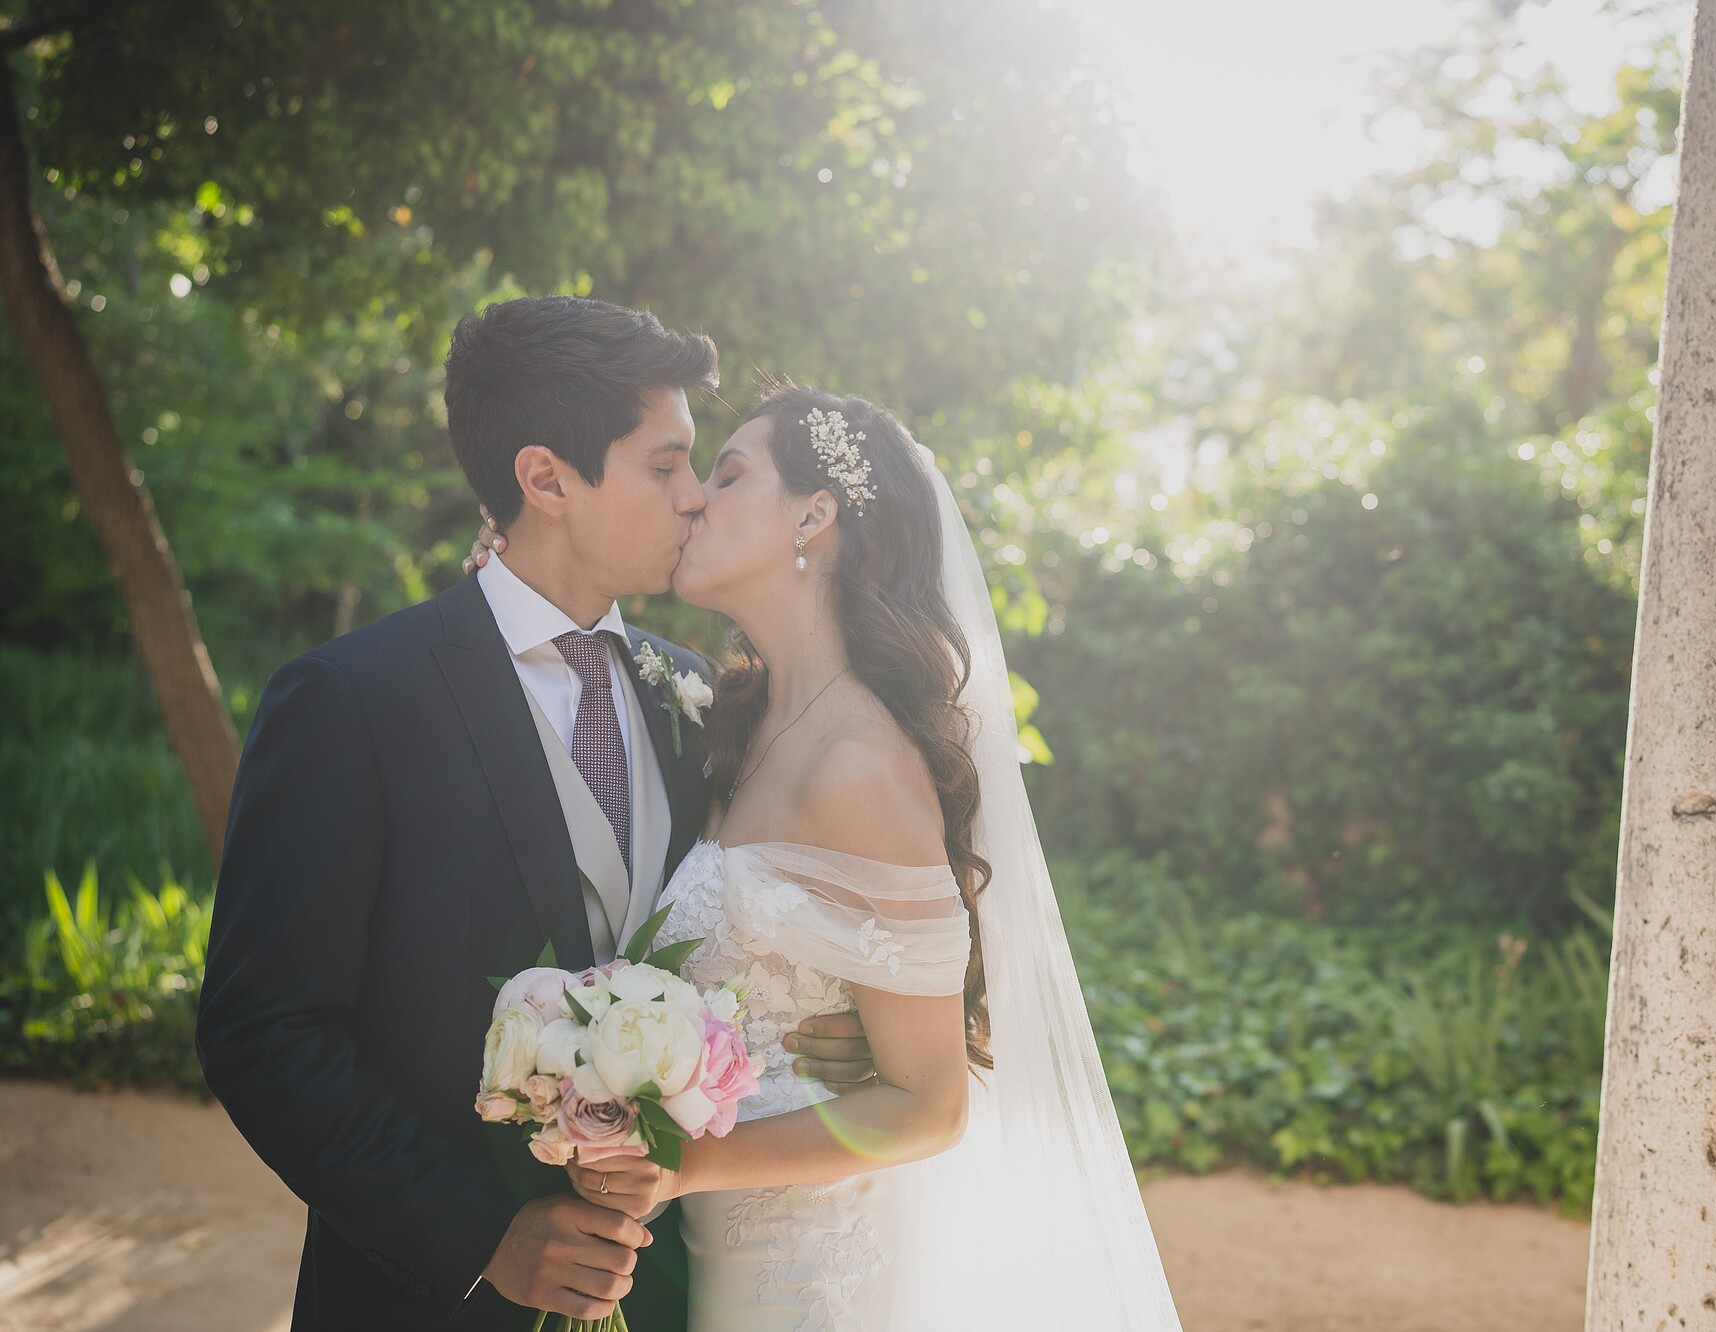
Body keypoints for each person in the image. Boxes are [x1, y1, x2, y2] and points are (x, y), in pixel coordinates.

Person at [196, 296, 878, 1332]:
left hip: (665, 1290)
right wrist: (481, 1241)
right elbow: (264, 1034)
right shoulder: (350, 701)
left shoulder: (702, 699)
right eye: (664, 465)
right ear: (545, 477)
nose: (695, 498)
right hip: (425, 1299)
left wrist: (838, 1028)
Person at [468, 383, 1183, 1330]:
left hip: (816, 1278)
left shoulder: (859, 765)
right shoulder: (726, 723)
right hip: (718, 1265)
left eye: (725, 475)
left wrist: (685, 1165)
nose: (692, 499)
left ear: (814, 515)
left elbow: (930, 1105)